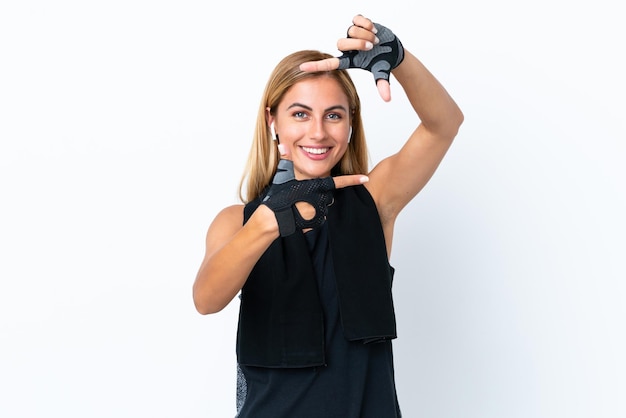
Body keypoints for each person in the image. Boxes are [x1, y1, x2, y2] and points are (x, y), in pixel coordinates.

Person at [193, 13, 463, 417]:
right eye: (300, 114)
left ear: (351, 123)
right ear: (273, 122)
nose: (318, 132)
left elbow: (444, 125)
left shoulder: (374, 199)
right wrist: (268, 222)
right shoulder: (237, 221)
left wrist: (400, 59)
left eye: (333, 115)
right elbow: (206, 300)